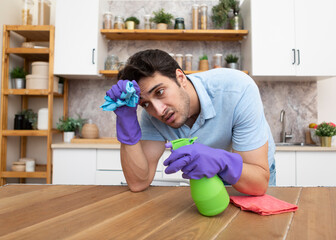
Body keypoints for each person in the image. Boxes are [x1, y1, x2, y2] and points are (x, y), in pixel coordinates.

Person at [104, 49, 275, 195]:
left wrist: (221, 161)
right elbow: (138, 183)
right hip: (205, 183)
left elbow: (258, 182)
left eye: (160, 92)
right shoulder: (151, 115)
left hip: (249, 175)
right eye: (145, 104)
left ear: (181, 78)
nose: (158, 110)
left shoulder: (237, 89)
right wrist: (126, 124)